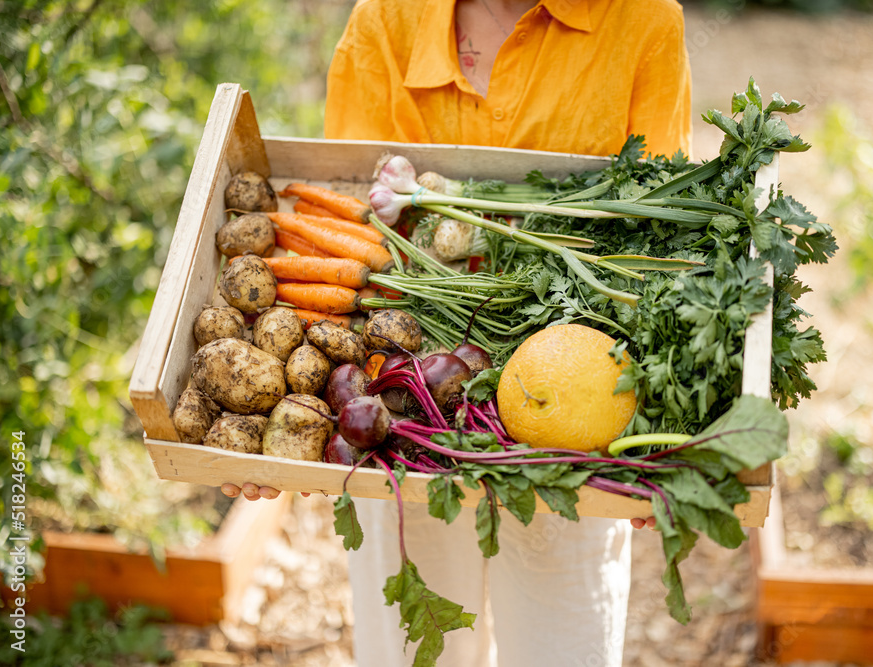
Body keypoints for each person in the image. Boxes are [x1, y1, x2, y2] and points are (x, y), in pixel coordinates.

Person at [225, 1, 691, 664]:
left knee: (563, 645)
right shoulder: (388, 22)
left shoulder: (640, 22)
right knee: (417, 647)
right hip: (408, 415)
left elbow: (664, 241)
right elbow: (350, 244)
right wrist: (266, 426)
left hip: (570, 425)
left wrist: (655, 450)